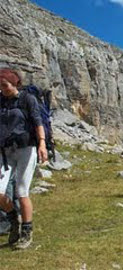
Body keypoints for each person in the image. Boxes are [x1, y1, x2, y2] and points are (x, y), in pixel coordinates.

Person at [0, 68, 48, 249]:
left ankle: (26, 233)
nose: (2, 89)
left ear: (15, 83)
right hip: (5, 152)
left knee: (21, 191)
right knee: (0, 192)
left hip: (26, 149)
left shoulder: (28, 99)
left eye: (5, 85)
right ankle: (14, 220)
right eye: (0, 86)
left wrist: (42, 144)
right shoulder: (0, 101)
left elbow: (38, 122)